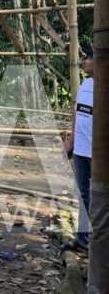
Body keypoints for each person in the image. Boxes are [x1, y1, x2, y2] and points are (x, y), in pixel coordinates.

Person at [66, 52, 94, 249]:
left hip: (99, 153)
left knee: (101, 197)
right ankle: (83, 239)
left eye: (88, 58)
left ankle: (98, 241)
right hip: (81, 151)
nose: (84, 62)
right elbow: (77, 116)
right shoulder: (85, 86)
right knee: (83, 195)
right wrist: (71, 143)